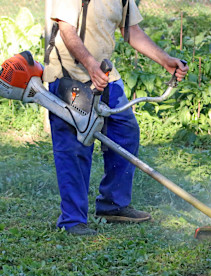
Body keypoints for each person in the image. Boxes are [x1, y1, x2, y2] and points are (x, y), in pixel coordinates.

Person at [43, 0, 188, 235]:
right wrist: (91, 66)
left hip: (106, 76)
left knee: (125, 132)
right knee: (75, 148)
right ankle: (72, 221)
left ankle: (113, 205)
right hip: (70, 75)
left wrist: (165, 60)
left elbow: (130, 30)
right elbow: (67, 30)